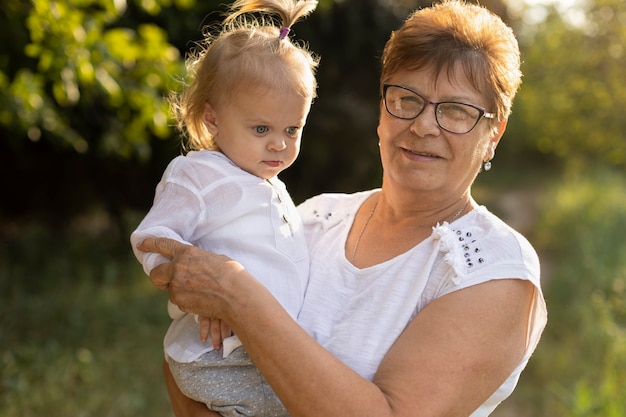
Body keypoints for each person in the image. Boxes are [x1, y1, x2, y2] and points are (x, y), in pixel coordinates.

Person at [138, 1, 548, 416]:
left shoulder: (494, 271)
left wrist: (237, 295)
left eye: (456, 111)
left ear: (493, 133)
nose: (424, 125)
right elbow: (187, 371)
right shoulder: (313, 218)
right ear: (381, 111)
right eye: (407, 99)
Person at [130, 0, 319, 415]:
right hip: (219, 355)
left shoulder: (270, 184)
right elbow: (152, 238)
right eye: (261, 128)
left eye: (293, 129)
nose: (279, 143)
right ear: (213, 119)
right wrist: (200, 288)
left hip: (262, 348)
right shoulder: (199, 173)